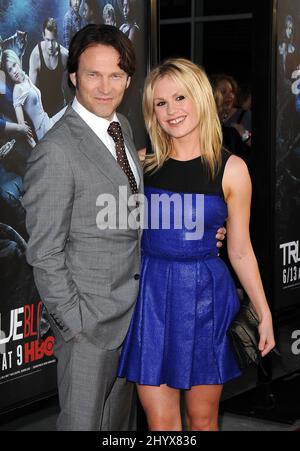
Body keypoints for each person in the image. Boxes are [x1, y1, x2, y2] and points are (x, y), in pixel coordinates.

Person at [117, 58, 275, 431]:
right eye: (161, 103)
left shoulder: (232, 169)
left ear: (201, 99)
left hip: (205, 300)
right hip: (151, 299)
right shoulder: (141, 164)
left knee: (203, 421)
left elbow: (239, 249)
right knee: (160, 423)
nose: (172, 110)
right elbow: (122, 233)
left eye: (180, 97)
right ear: (152, 112)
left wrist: (263, 310)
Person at [22, 23, 141, 432]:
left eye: (115, 74)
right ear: (73, 76)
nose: (105, 87)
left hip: (129, 316)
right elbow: (44, 252)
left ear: (127, 77)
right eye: (93, 74)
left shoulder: (120, 127)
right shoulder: (55, 151)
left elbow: (126, 214)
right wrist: (76, 325)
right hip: (88, 328)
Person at [2, 50, 66, 147]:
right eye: (10, 70)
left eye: (14, 65)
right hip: (44, 132)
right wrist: (38, 151)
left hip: (48, 122)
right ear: (8, 74)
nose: (14, 71)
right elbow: (23, 129)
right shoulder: (17, 91)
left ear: (18, 62)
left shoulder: (26, 78)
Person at [29, 18, 68, 117]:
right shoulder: (36, 55)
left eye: (53, 40)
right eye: (47, 40)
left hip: (60, 105)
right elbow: (32, 91)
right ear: (43, 35)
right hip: (42, 109)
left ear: (57, 37)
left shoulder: (64, 55)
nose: (50, 45)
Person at [212, 73, 252, 147]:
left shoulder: (244, 116)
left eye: (231, 91)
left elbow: (261, 148)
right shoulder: (208, 119)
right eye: (223, 92)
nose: (230, 96)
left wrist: (244, 134)